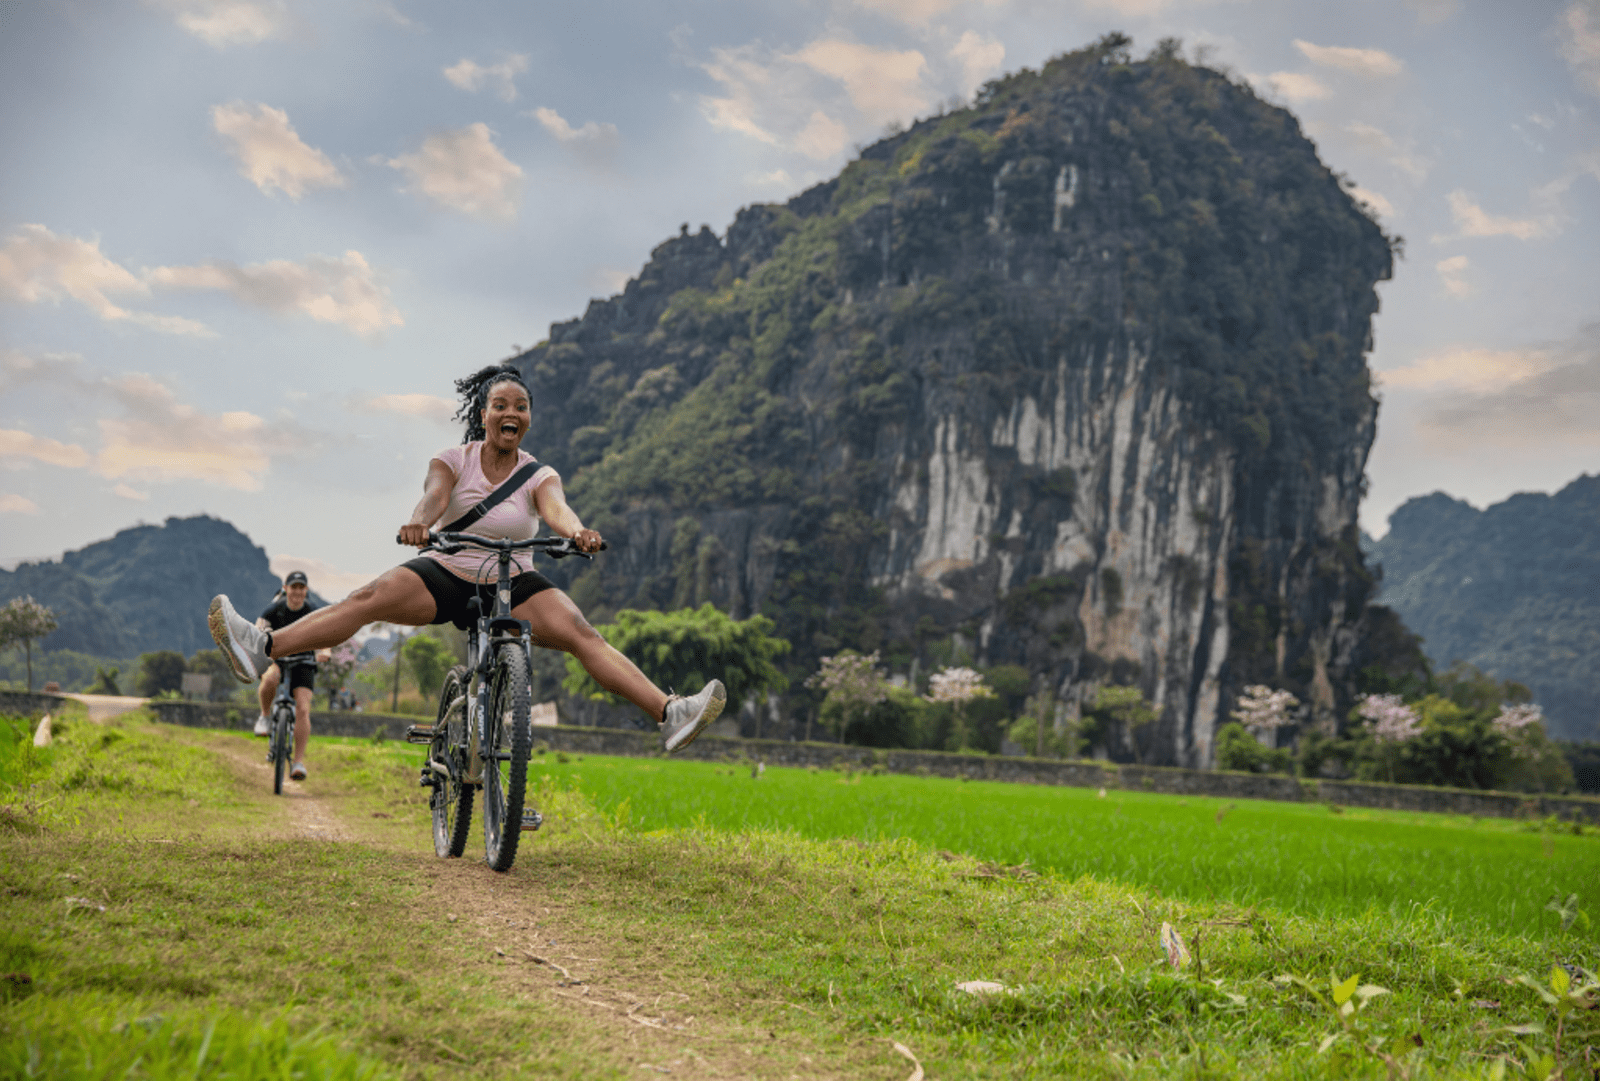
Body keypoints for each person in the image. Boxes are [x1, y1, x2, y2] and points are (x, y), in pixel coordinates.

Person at [208, 364, 725, 752]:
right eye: (501, 404)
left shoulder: (537, 473)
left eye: (520, 407)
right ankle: (262, 647)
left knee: (581, 632)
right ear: (484, 414)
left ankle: (670, 712)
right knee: (367, 598)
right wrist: (422, 522)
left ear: (527, 419)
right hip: (448, 572)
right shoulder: (452, 459)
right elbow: (434, 496)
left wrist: (578, 532)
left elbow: (557, 510)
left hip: (515, 578)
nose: (511, 413)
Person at [253, 570, 331, 781]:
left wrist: (325, 651)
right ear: (285, 589)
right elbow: (259, 630)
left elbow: (324, 634)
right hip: (277, 659)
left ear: (306, 590)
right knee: (269, 679)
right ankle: (265, 716)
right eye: (293, 587)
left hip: (304, 662)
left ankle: (298, 762)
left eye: (301, 587)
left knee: (303, 708)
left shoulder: (312, 611)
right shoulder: (274, 610)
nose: (297, 591)